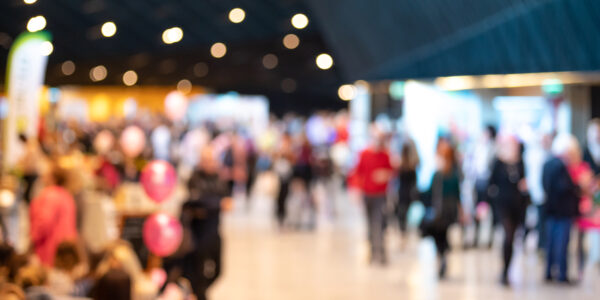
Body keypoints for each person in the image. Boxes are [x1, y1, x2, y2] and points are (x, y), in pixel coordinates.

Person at [165, 145, 229, 300]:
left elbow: (226, 201)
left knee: (218, 271)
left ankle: (199, 292)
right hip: (198, 234)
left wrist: (211, 206)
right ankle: (200, 294)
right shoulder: (195, 178)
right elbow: (194, 201)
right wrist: (217, 204)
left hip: (215, 232)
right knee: (198, 272)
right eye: (205, 160)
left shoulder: (219, 179)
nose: (208, 163)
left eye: (211, 160)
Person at [487, 135, 528, 286]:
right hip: (502, 204)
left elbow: (523, 181)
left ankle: (507, 268)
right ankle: (504, 271)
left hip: (517, 204)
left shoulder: (520, 162)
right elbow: (491, 183)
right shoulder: (498, 162)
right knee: (508, 235)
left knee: (513, 238)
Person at [542, 134, 581, 283]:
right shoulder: (560, 166)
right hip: (562, 211)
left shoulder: (547, 163)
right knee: (561, 244)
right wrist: (577, 187)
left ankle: (549, 272)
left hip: (551, 209)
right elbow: (564, 188)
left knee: (551, 243)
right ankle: (562, 274)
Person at [421, 138, 462, 278]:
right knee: (442, 236)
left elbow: (431, 193)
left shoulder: (440, 175)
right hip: (448, 211)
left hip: (442, 211)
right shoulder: (451, 175)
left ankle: (443, 255)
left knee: (440, 236)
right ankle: (444, 255)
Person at [354, 127, 393, 265]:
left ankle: (381, 252)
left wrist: (385, 175)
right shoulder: (365, 154)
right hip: (367, 193)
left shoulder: (386, 155)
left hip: (380, 194)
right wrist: (357, 191)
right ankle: (372, 252)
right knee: (370, 224)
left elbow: (391, 171)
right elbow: (358, 172)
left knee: (379, 223)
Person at [29, 166, 77, 267]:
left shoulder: (49, 195)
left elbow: (44, 222)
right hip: (65, 247)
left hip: (50, 246)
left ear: (53, 178)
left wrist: (33, 238)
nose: (43, 178)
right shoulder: (67, 195)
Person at [470, 125, 496, 248]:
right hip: (478, 182)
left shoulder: (493, 149)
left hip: (488, 183)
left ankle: (489, 238)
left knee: (487, 210)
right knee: (477, 210)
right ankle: (475, 236)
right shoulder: (476, 148)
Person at [395, 137, 419, 240]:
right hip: (407, 193)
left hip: (403, 193)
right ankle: (404, 232)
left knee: (403, 214)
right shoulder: (410, 167)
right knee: (404, 214)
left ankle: (404, 232)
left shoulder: (403, 166)